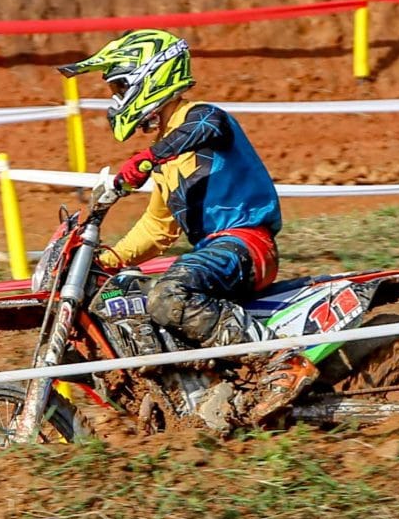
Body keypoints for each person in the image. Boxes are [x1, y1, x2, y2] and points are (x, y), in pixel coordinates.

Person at [57, 28, 317, 424]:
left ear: (151, 76)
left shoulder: (201, 119)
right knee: (137, 300)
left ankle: (281, 360)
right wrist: (105, 260)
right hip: (213, 253)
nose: (116, 97)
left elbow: (207, 125)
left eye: (120, 86)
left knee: (168, 294)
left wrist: (147, 158)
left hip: (245, 243)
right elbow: (157, 228)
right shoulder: (168, 158)